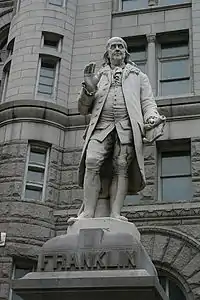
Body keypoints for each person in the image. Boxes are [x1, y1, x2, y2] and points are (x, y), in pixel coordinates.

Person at [68, 37, 165, 224]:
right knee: (92, 161)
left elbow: (148, 103)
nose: (117, 49)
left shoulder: (139, 76)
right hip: (101, 127)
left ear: (126, 52)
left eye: (121, 46)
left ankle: (115, 213)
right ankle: (87, 212)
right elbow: (82, 109)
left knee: (121, 167)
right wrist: (88, 88)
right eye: (113, 47)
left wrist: (151, 118)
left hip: (126, 127)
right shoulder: (98, 76)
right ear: (108, 53)